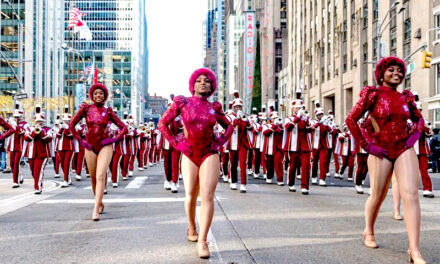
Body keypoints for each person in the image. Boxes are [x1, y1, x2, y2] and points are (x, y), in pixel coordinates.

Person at [345, 57, 426, 263]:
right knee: (377, 195)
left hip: (403, 148)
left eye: (400, 71)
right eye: (391, 70)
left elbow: (419, 120)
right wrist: (367, 145)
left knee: (411, 195)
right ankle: (369, 231)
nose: (396, 73)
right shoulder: (372, 94)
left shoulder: (406, 97)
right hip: (380, 149)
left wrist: (413, 137)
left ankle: (414, 250)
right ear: (381, 73)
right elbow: (351, 119)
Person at [158, 68, 232, 259]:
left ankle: (203, 240)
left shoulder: (214, 107)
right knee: (190, 194)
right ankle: (192, 227)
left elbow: (230, 125)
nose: (203, 83)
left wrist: (220, 141)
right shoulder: (182, 102)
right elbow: (162, 124)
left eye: (206, 80)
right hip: (189, 152)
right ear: (193, 84)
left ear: (212, 85)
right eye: (199, 80)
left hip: (209, 152)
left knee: (207, 195)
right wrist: (176, 142)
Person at [70, 83, 128, 221]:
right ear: (92, 95)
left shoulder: (108, 111)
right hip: (89, 146)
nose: (98, 95)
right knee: (93, 178)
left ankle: (95, 209)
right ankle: (100, 202)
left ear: (105, 96)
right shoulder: (86, 109)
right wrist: (81, 141)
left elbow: (124, 128)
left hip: (105, 145)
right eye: (95, 93)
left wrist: (113, 140)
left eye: (101, 93)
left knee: (101, 175)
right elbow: (71, 125)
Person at [283, 98, 312, 194]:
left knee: (306, 166)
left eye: (300, 108)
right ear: (293, 109)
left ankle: (305, 186)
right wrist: (298, 118)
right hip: (293, 146)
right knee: (293, 166)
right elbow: (289, 127)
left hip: (304, 145)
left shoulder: (305, 118)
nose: (299, 109)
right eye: (297, 108)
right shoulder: (289, 118)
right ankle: (291, 184)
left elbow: (310, 129)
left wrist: (306, 120)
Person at [24, 107, 52, 194]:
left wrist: (41, 132)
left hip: (42, 153)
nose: (39, 123)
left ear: (43, 122)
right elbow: (26, 138)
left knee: (38, 170)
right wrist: (34, 132)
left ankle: (37, 188)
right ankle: (38, 182)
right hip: (31, 153)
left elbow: (49, 139)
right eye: (37, 121)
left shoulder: (47, 129)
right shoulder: (30, 128)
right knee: (33, 171)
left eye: (40, 121)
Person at [7, 103, 27, 188]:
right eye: (15, 117)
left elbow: (23, 132)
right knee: (11, 164)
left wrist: (16, 126)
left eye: (18, 116)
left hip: (19, 145)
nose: (16, 118)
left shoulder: (24, 124)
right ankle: (20, 174)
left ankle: (15, 181)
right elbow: (7, 131)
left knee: (15, 163)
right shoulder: (12, 123)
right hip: (11, 145)